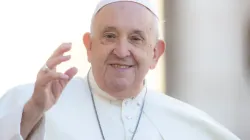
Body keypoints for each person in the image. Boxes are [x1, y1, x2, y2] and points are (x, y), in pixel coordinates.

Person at [0, 0, 241, 140]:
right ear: (89, 46)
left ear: (155, 53)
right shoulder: (32, 102)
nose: (122, 50)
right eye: (110, 36)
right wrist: (33, 111)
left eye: (136, 39)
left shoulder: (191, 124)